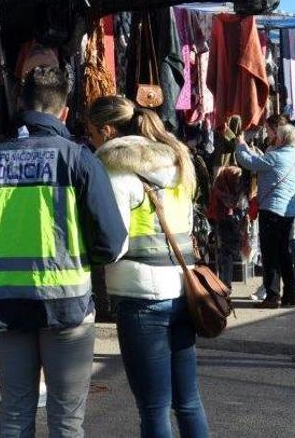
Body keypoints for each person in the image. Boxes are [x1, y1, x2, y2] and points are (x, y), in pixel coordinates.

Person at [0, 67, 126, 437]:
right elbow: (110, 244)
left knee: (15, 414)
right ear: (64, 111)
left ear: (20, 103)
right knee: (66, 421)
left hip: (6, 305)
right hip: (66, 307)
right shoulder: (78, 160)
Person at [89, 96, 210, 438]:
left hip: (140, 296)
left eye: (93, 134)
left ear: (107, 130)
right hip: (185, 292)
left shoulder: (113, 170)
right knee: (188, 400)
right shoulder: (177, 162)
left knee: (154, 408)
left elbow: (113, 244)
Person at [235, 119, 295, 308]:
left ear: (283, 139)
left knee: (271, 254)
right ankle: (290, 295)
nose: (275, 138)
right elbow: (261, 162)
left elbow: (250, 163)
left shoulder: (277, 157)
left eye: (277, 136)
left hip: (272, 210)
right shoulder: (293, 155)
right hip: (288, 212)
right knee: (283, 253)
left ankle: (272, 296)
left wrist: (240, 146)